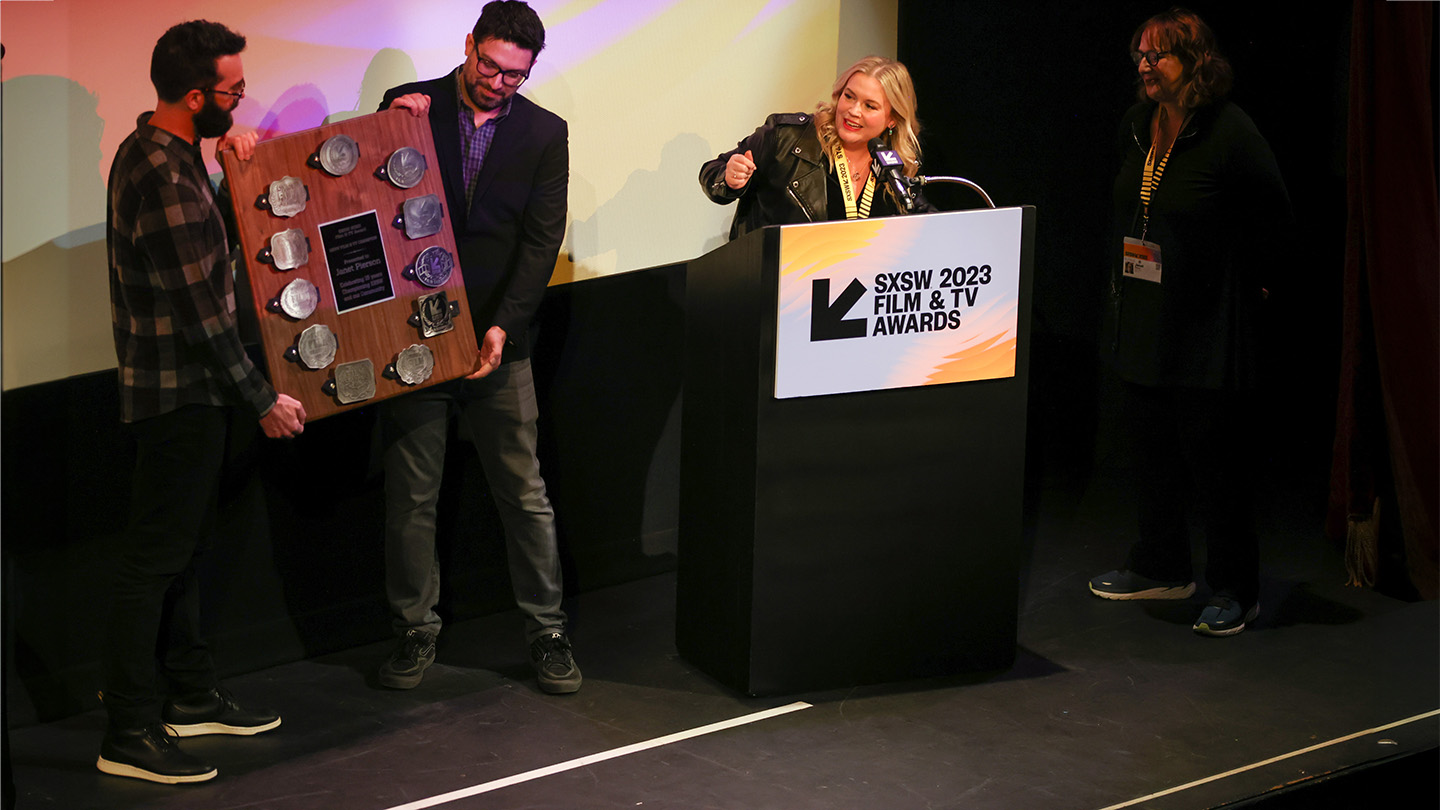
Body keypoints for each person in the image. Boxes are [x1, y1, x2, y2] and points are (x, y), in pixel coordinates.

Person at [101, 20, 306, 784]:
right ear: (197, 96)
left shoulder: (169, 154)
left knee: (182, 553)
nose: (240, 100)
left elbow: (208, 255)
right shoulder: (157, 169)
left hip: (190, 394)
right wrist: (263, 399)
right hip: (179, 396)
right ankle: (126, 729)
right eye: (234, 90)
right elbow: (204, 312)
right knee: (153, 562)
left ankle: (187, 695)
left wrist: (228, 173)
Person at [376, 0, 578, 694]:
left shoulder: (545, 133)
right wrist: (382, 126)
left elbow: (540, 240)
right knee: (411, 495)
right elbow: (363, 196)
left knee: (523, 493)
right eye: (489, 66)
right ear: (468, 46)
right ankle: (414, 629)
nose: (497, 82)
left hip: (501, 340)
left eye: (514, 75)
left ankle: (547, 631)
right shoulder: (409, 107)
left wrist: (504, 327)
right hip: (419, 334)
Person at [1089, 8, 1292, 637]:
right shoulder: (1134, 126)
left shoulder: (1229, 132)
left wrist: (1251, 284)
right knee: (1151, 448)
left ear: (1196, 63)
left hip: (1206, 325)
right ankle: (1162, 563)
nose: (1147, 67)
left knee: (1215, 460)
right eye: (1141, 57)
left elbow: (1275, 216)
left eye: (1161, 56)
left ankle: (1236, 587)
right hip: (1145, 313)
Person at [699, 55, 933, 241]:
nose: (853, 110)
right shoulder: (786, 137)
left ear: (892, 119)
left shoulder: (894, 169)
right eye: (849, 96)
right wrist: (728, 179)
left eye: (869, 106)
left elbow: (929, 225)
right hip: (778, 285)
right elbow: (712, 172)